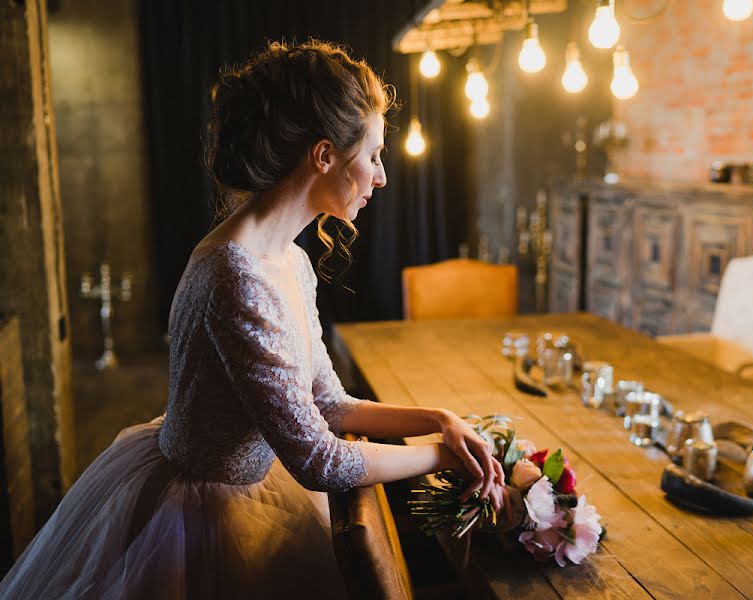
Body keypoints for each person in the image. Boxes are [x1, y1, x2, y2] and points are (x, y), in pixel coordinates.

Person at [0, 40, 506, 599]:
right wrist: (441, 457)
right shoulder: (235, 276)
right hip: (198, 521)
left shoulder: (289, 258)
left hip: (253, 487)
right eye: (374, 155)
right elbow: (319, 460)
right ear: (323, 155)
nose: (380, 177)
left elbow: (329, 405)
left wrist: (441, 419)